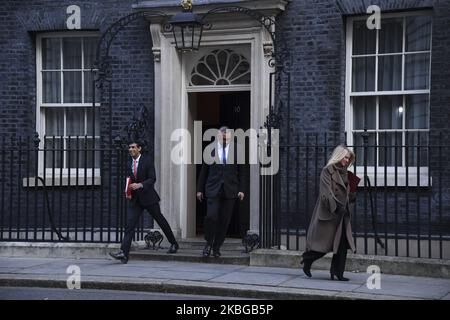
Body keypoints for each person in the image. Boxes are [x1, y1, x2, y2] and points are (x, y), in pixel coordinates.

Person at [110, 141, 179, 264]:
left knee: (160, 221)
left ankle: (174, 243)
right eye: (129, 147)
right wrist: (128, 190)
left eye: (133, 147)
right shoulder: (128, 162)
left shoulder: (147, 161)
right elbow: (128, 179)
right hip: (135, 199)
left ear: (139, 149)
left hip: (148, 197)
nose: (130, 149)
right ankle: (123, 253)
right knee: (129, 225)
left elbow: (152, 178)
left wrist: (141, 185)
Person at [301, 145, 357, 281]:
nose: (347, 160)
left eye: (348, 158)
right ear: (338, 156)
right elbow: (326, 193)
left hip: (343, 215)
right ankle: (307, 260)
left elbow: (349, 194)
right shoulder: (327, 171)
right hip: (330, 213)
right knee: (323, 246)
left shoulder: (347, 173)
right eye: (345, 157)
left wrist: (353, 192)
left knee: (342, 246)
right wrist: (336, 207)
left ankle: (337, 273)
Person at [196, 127, 247, 258]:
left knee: (224, 221)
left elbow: (243, 171)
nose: (225, 139)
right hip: (213, 188)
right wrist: (199, 189)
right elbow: (204, 171)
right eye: (222, 136)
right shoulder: (210, 149)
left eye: (227, 137)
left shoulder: (238, 149)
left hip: (230, 189)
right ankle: (208, 243)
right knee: (211, 217)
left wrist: (241, 189)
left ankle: (217, 246)